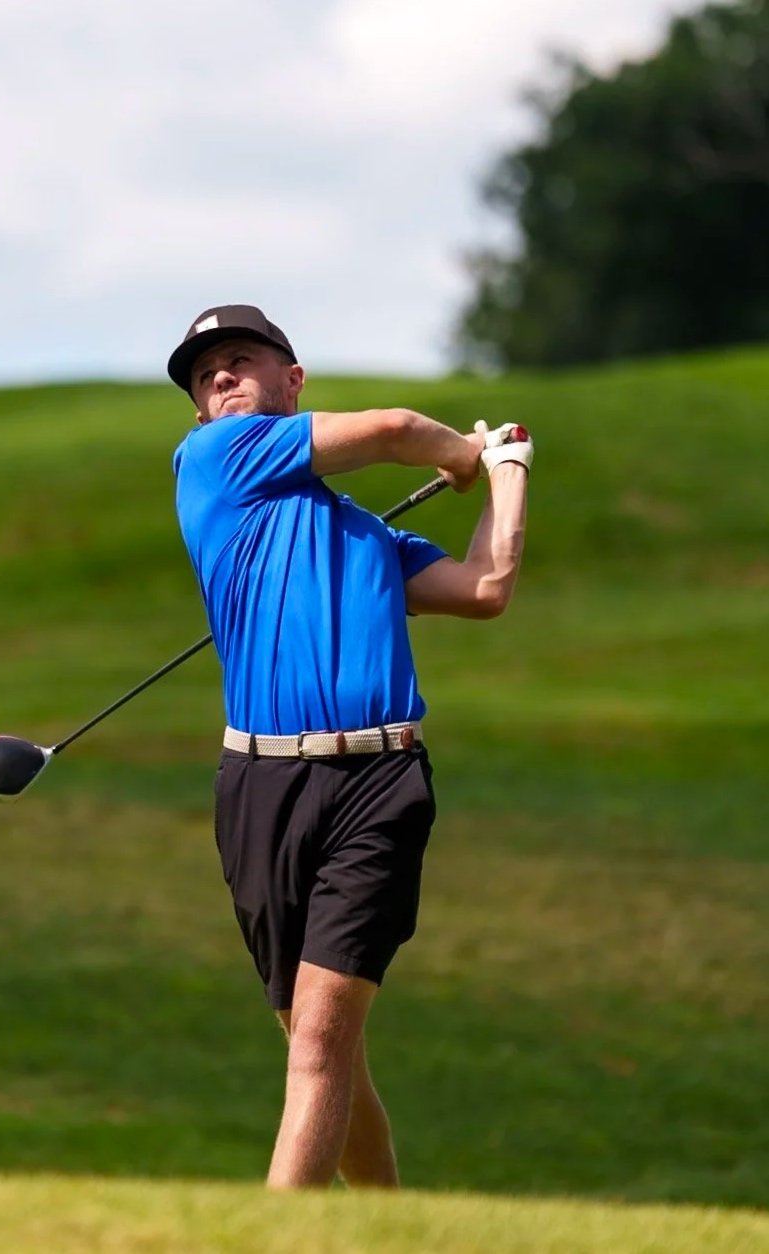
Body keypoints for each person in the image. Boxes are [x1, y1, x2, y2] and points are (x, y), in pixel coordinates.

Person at [168, 304, 532, 1190]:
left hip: (379, 782)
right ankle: (388, 1230)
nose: (220, 374)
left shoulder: (372, 538)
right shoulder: (213, 461)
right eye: (204, 370)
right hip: (257, 786)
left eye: (241, 357)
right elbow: (399, 431)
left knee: (324, 1042)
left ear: (292, 381)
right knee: (316, 1042)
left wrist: (507, 469)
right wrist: (461, 458)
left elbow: (482, 588)